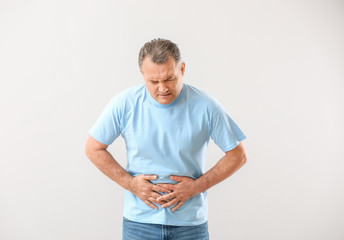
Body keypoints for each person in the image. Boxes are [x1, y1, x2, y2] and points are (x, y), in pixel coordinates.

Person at [85, 38, 248, 240]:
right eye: (153, 82)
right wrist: (131, 184)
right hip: (139, 225)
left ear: (182, 69)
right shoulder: (124, 104)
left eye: (169, 78)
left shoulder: (206, 106)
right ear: (142, 75)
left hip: (190, 226)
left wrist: (197, 187)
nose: (162, 88)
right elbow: (93, 148)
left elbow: (238, 155)